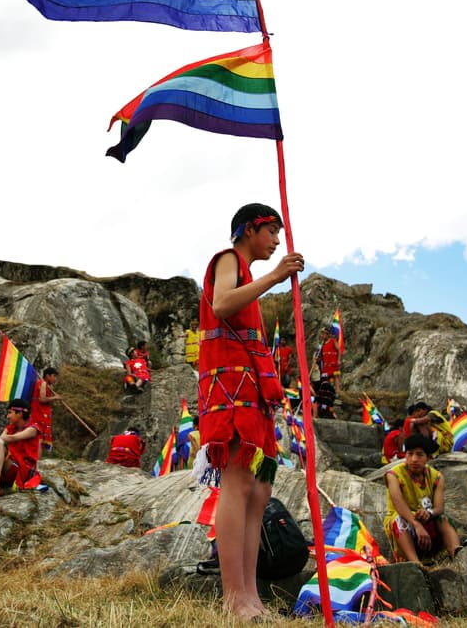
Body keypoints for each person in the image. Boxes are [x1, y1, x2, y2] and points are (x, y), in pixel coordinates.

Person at [198, 202, 303, 620]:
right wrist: (276, 276)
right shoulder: (228, 259)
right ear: (248, 230)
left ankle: (252, 596)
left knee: (259, 492)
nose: (276, 240)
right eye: (271, 231)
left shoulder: (247, 273)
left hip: (254, 391)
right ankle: (233, 598)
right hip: (231, 387)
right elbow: (222, 303)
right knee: (239, 484)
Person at [384, 435, 462, 562]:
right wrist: (416, 524)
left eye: (420, 455)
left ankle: (456, 553)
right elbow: (398, 503)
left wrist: (429, 513)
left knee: (442, 518)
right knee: (398, 520)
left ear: (428, 458)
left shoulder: (436, 477)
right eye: (410, 454)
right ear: (405, 455)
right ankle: (415, 563)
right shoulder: (393, 475)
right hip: (405, 520)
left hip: (425, 519)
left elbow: (439, 507)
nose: (414, 459)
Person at [31, 367, 60, 451]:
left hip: (41, 413)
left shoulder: (46, 385)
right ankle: (36, 458)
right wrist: (55, 397)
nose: (55, 379)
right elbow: (42, 399)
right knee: (39, 438)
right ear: (47, 375)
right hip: (39, 414)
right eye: (54, 376)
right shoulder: (43, 383)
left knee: (40, 438)